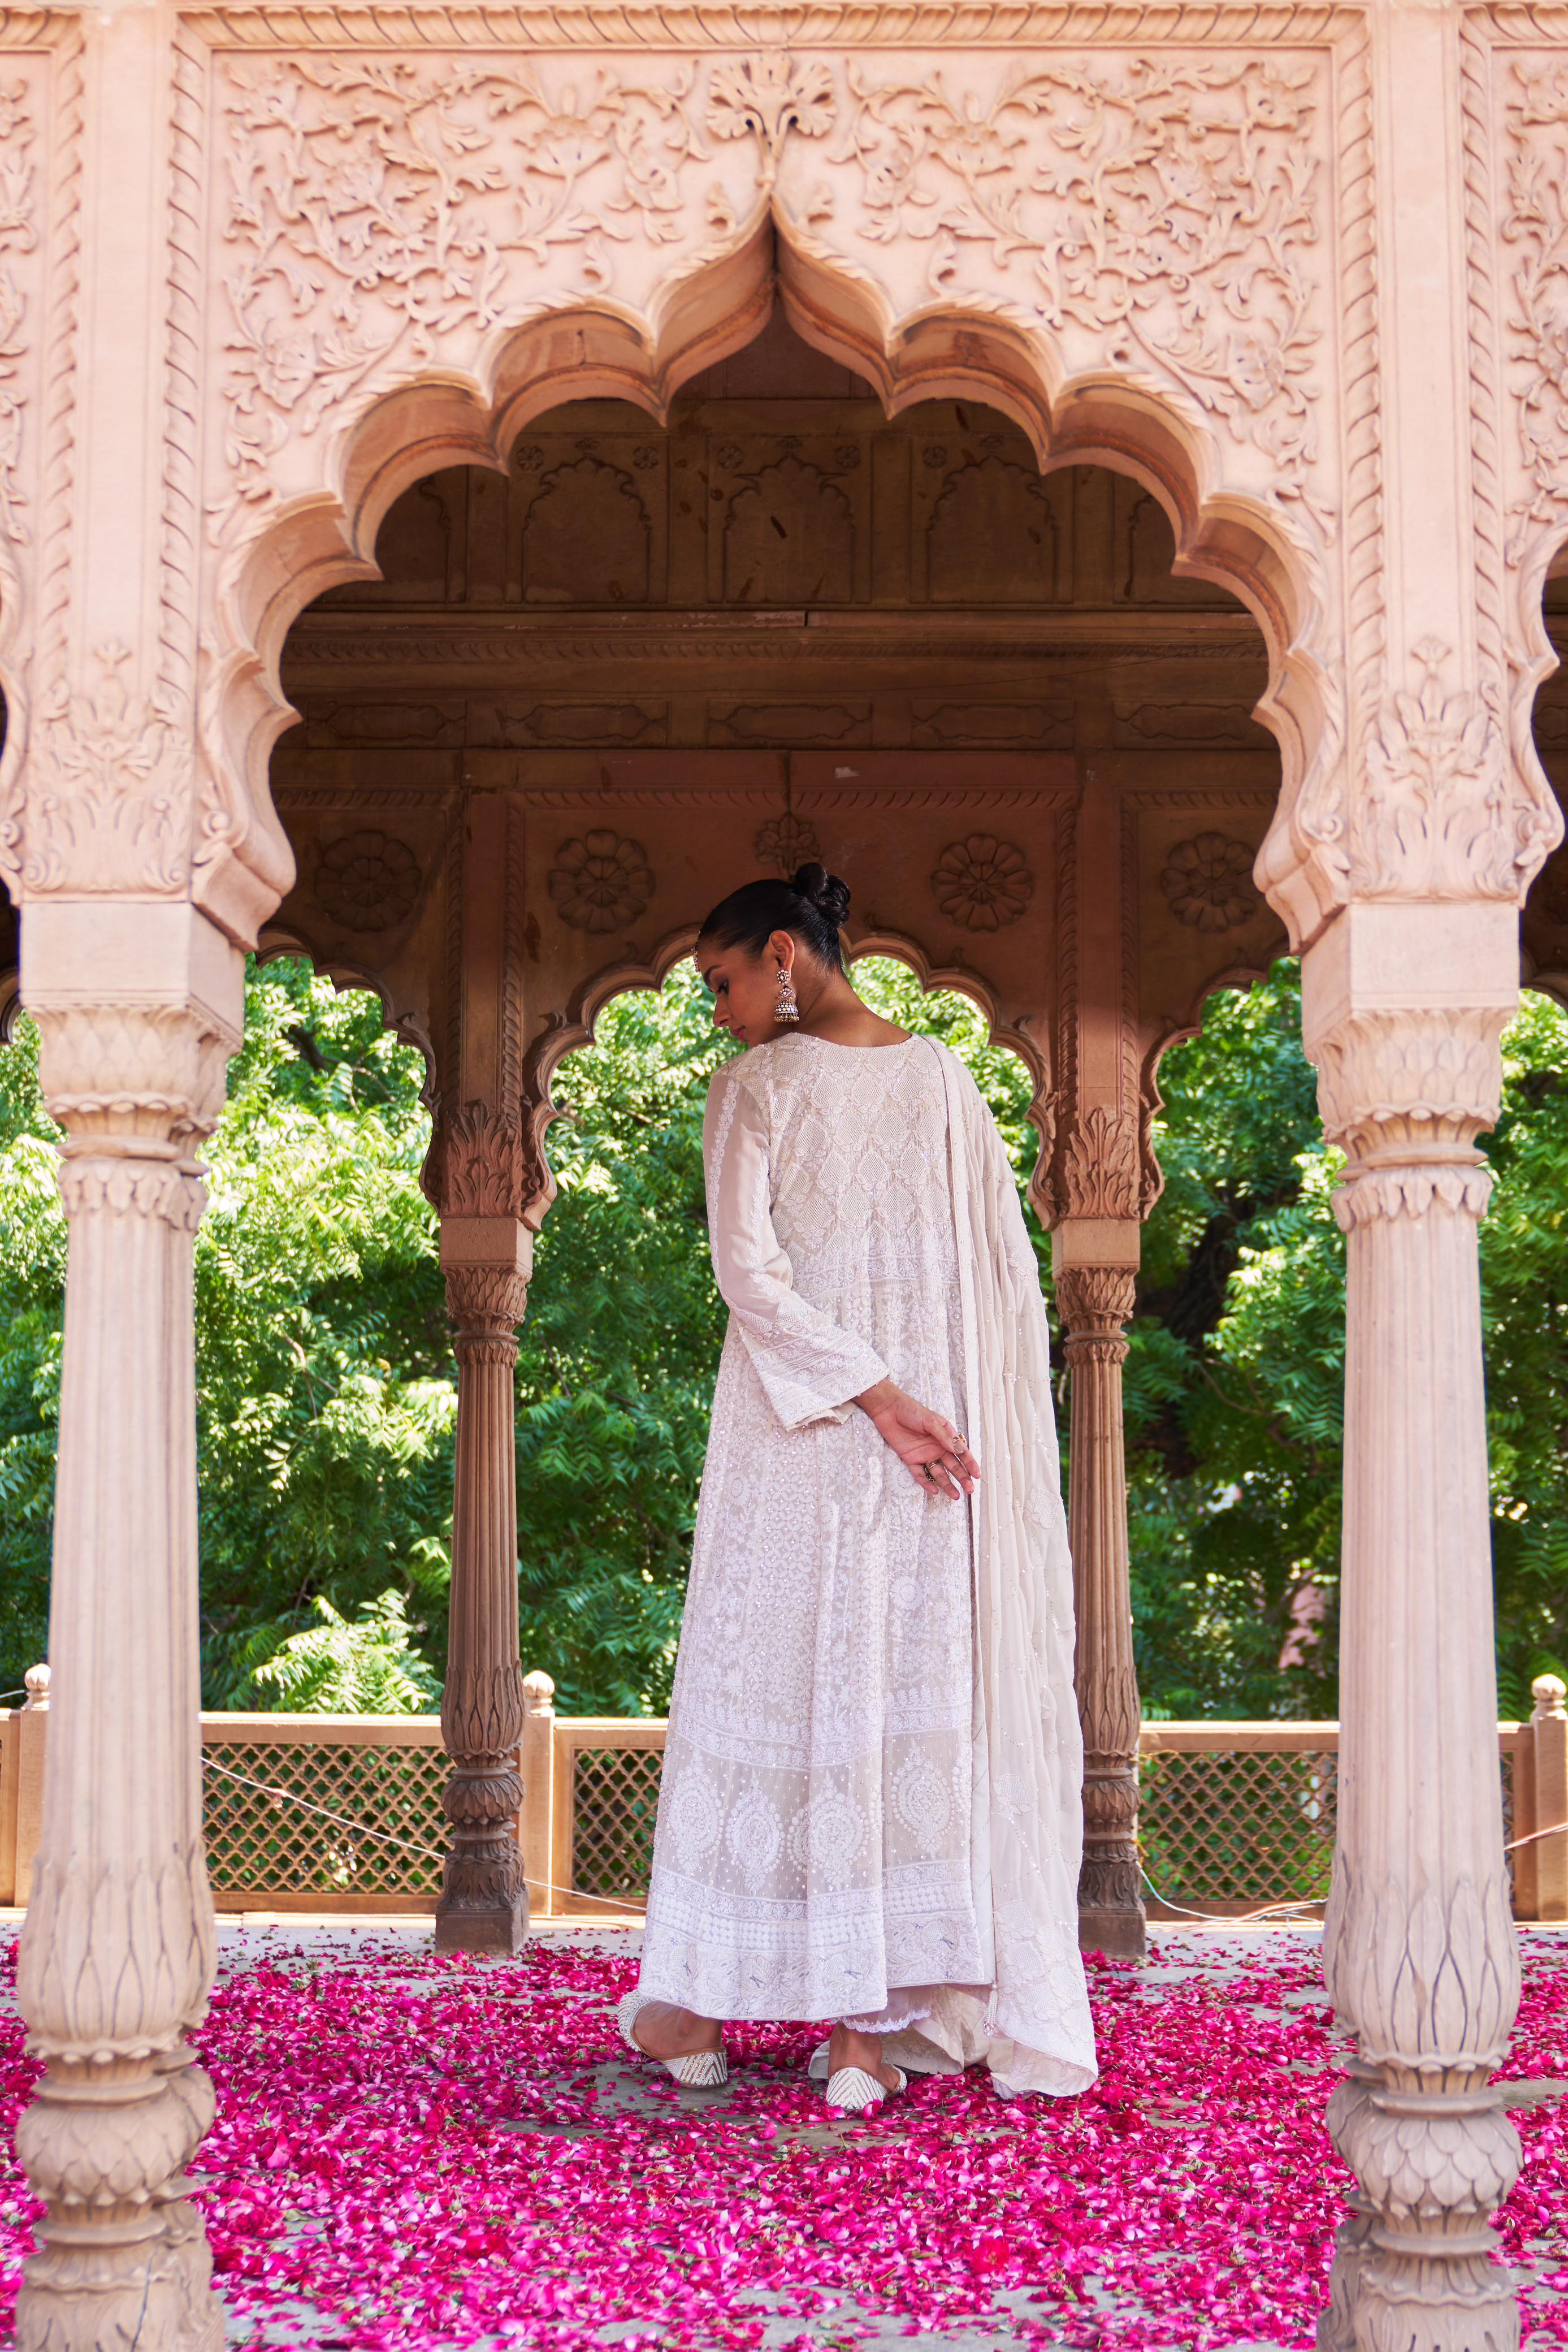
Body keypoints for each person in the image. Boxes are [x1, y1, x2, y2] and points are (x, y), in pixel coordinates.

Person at [617, 863, 1096, 2108]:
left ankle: (841, 2021)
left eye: (721, 981)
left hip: (895, 1446)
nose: (716, 1008)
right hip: (846, 1430)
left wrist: (919, 1413)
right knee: (797, 1686)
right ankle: (734, 2008)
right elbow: (752, 1277)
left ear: (782, 954)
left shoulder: (907, 1083)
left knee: (861, 1698)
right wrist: (891, 1398)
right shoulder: (797, 1083)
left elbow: (980, 1276)